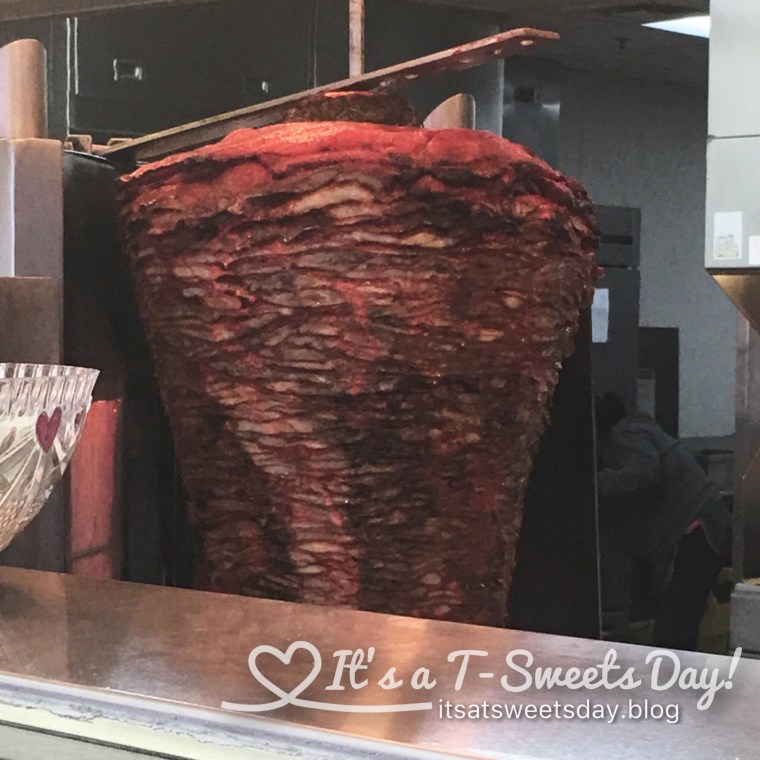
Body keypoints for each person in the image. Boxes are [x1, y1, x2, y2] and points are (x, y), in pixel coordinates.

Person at [595, 393, 732, 651]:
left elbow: (645, 473)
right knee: (678, 620)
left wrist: (595, 483)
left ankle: (674, 674)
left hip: (693, 529)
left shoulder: (625, 436)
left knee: (675, 627)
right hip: (703, 524)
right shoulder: (641, 430)